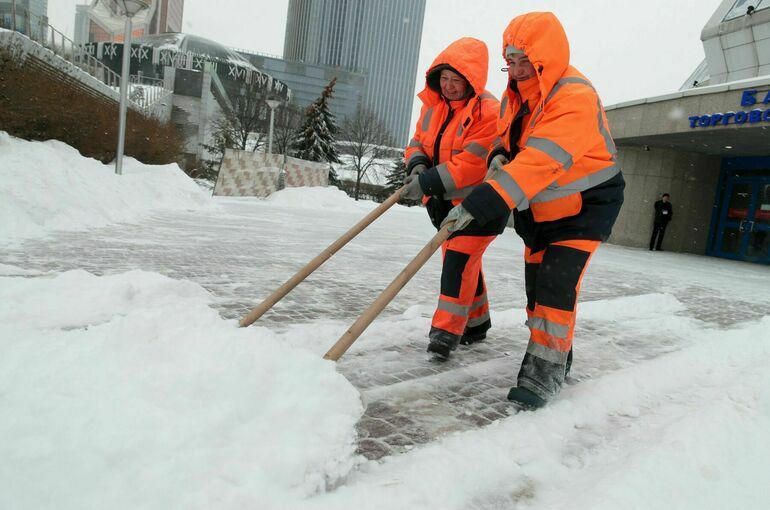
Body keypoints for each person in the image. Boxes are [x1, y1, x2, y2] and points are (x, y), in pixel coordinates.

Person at [440, 12, 625, 409]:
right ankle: (560, 352)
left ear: (546, 57)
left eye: (526, 61)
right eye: (512, 61)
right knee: (536, 290)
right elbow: (509, 141)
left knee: (556, 286)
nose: (519, 70)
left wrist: (481, 199)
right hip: (540, 209)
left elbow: (541, 159)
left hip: (584, 206)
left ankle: (543, 374)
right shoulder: (514, 95)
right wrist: (498, 153)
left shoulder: (574, 96)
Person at [402, 37, 504, 359]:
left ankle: (445, 333)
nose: (448, 86)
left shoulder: (488, 111)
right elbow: (418, 141)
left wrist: (428, 182)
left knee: (458, 261)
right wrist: (417, 165)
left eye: (456, 80)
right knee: (461, 260)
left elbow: (473, 164)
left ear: (471, 80)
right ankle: (477, 324)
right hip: (443, 204)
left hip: (480, 204)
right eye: (443, 79)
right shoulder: (433, 107)